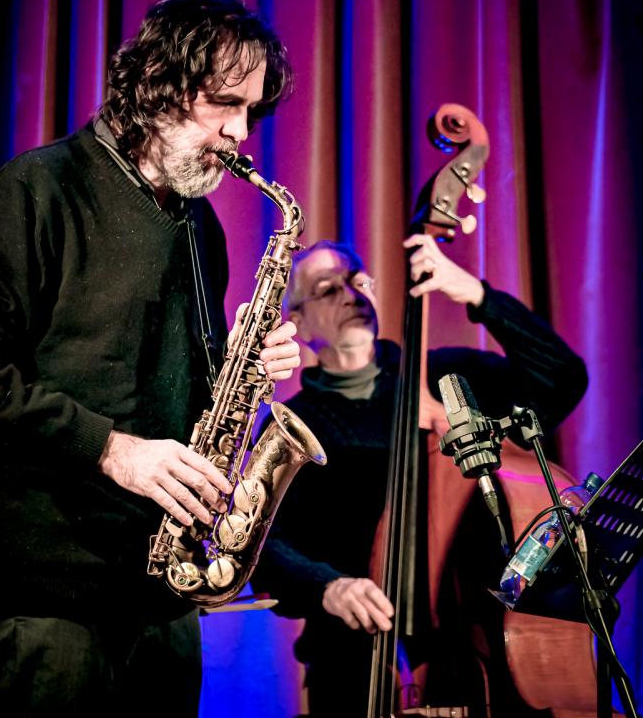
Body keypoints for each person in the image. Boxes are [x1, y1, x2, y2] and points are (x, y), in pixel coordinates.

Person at [0, 0, 301, 717]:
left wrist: (241, 368)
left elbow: (180, 398)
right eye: (224, 103)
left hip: (159, 601)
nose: (239, 132)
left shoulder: (199, 226)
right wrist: (111, 449)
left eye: (251, 112)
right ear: (158, 84)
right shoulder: (39, 189)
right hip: (44, 602)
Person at [251, 236, 588, 717]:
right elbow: (262, 543)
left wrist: (475, 293)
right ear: (298, 323)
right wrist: (328, 585)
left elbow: (563, 379)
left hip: (474, 650)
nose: (351, 294)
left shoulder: (449, 381)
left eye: (357, 280)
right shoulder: (292, 424)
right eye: (328, 288)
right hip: (354, 662)